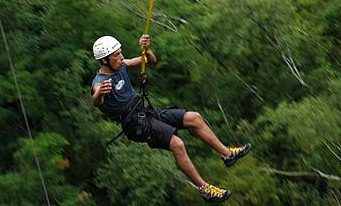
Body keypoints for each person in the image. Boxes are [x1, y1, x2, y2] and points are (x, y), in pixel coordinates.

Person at [91, 34, 251, 203]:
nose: (121, 57)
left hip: (144, 113)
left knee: (194, 118)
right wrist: (100, 93)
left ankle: (227, 154)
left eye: (120, 53)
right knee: (177, 144)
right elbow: (95, 100)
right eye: (116, 55)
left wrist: (146, 49)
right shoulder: (100, 81)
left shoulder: (122, 65)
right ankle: (205, 190)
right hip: (134, 124)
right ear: (104, 60)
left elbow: (150, 61)